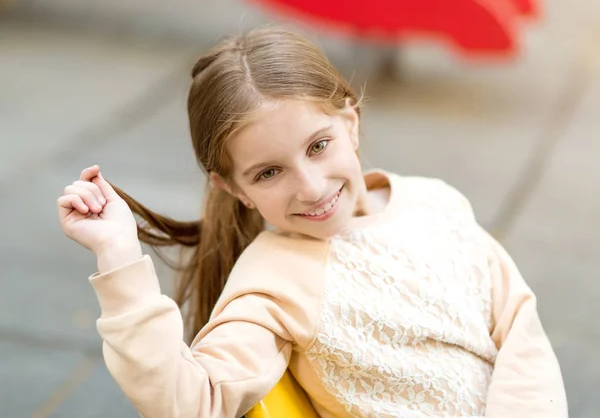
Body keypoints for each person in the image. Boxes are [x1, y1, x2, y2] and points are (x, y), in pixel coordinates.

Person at [57, 27, 568, 418]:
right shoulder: (274, 281)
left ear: (351, 122)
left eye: (318, 146)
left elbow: (519, 329)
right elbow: (192, 401)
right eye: (269, 172)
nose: (311, 187)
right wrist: (118, 255)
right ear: (234, 189)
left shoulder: (435, 202)